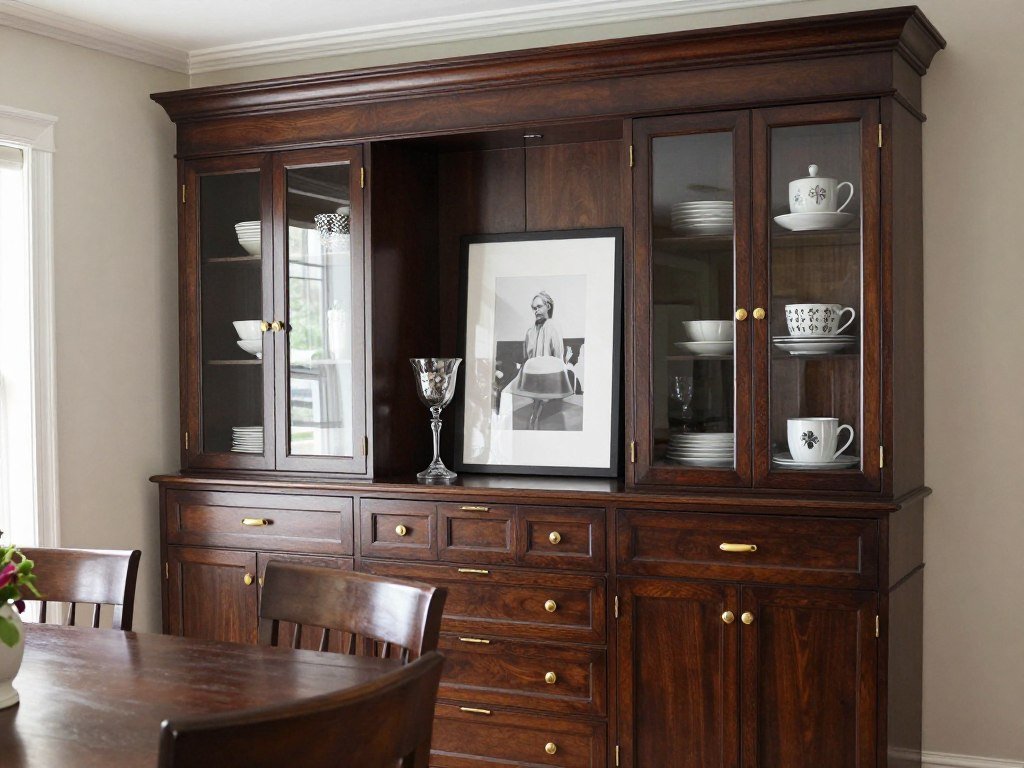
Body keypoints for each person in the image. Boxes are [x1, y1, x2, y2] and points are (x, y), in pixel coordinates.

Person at [523, 291, 564, 361]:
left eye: (539, 307)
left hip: (550, 371)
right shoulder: (529, 332)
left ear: (548, 306)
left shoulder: (554, 328)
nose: (536, 311)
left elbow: (558, 359)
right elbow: (526, 360)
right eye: (534, 308)